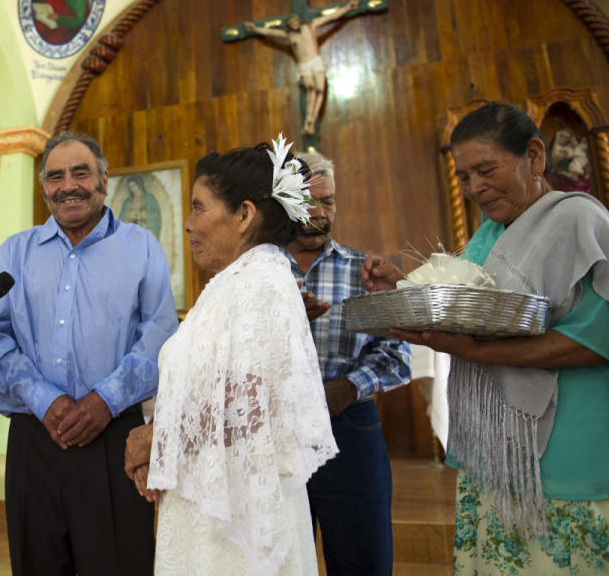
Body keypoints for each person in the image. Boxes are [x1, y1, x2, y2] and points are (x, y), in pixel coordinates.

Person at [363, 102, 609, 575]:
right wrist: (403, 287)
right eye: (463, 176)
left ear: (535, 156)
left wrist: (479, 352)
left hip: (566, 442)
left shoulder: (579, 219)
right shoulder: (489, 233)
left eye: (486, 169)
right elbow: (471, 306)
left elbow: (596, 339)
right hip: (496, 449)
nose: (475, 187)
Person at [0, 131, 178, 575]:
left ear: (103, 179)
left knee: (121, 564)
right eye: (55, 176)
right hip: (33, 439)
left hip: (115, 440)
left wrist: (104, 401)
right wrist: (45, 399)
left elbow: (160, 335)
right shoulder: (15, 252)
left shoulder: (141, 247)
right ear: (44, 187)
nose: (68, 185)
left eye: (80, 173)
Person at [126, 140, 338, 575]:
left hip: (234, 514)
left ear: (244, 215)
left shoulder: (262, 284)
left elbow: (245, 410)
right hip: (208, 498)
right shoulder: (231, 283)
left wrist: (154, 439)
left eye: (199, 208)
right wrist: (158, 441)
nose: (187, 224)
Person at [278, 150, 411, 575]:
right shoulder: (256, 273)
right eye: (307, 201)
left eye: (329, 201)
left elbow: (397, 354)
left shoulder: (364, 271)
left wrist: (349, 388)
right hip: (272, 433)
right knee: (277, 561)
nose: (319, 212)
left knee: (362, 561)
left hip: (349, 430)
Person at [245, 0, 357, 135]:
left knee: (320, 89)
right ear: (289, 25)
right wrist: (255, 29)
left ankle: (312, 119)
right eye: (291, 23)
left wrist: (348, 7)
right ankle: (308, 121)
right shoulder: (289, 35)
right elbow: (270, 32)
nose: (295, 24)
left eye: (296, 21)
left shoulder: (310, 26)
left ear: (299, 21)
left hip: (315, 60)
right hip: (304, 65)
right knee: (311, 89)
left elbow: (331, 17)